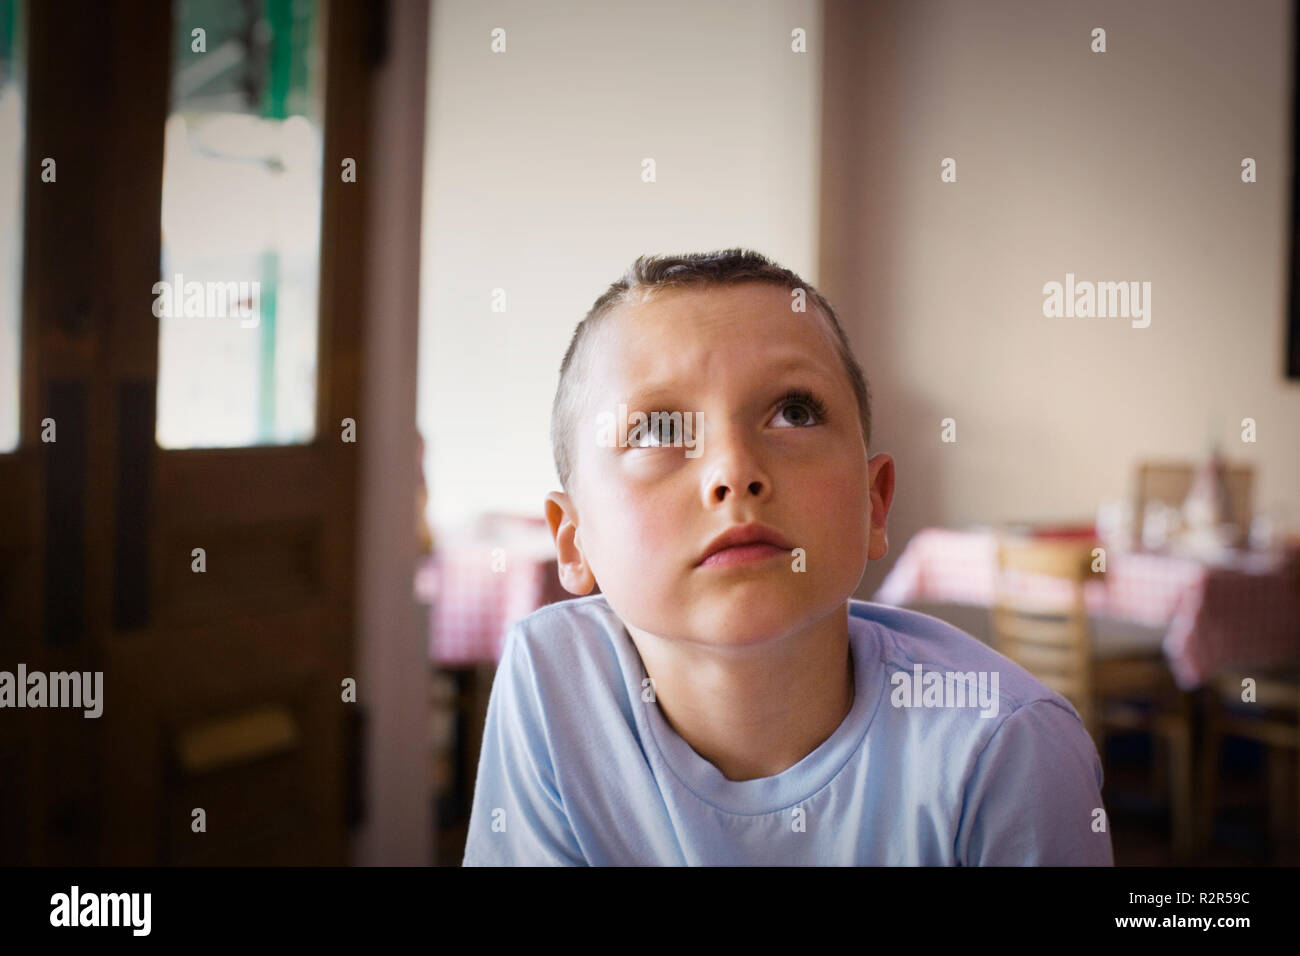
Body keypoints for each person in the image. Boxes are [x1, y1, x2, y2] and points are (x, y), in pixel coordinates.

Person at [462, 249, 1112, 865]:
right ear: (574, 542)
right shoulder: (554, 680)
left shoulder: (1008, 747)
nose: (734, 471)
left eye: (794, 412)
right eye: (659, 429)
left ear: (874, 504)